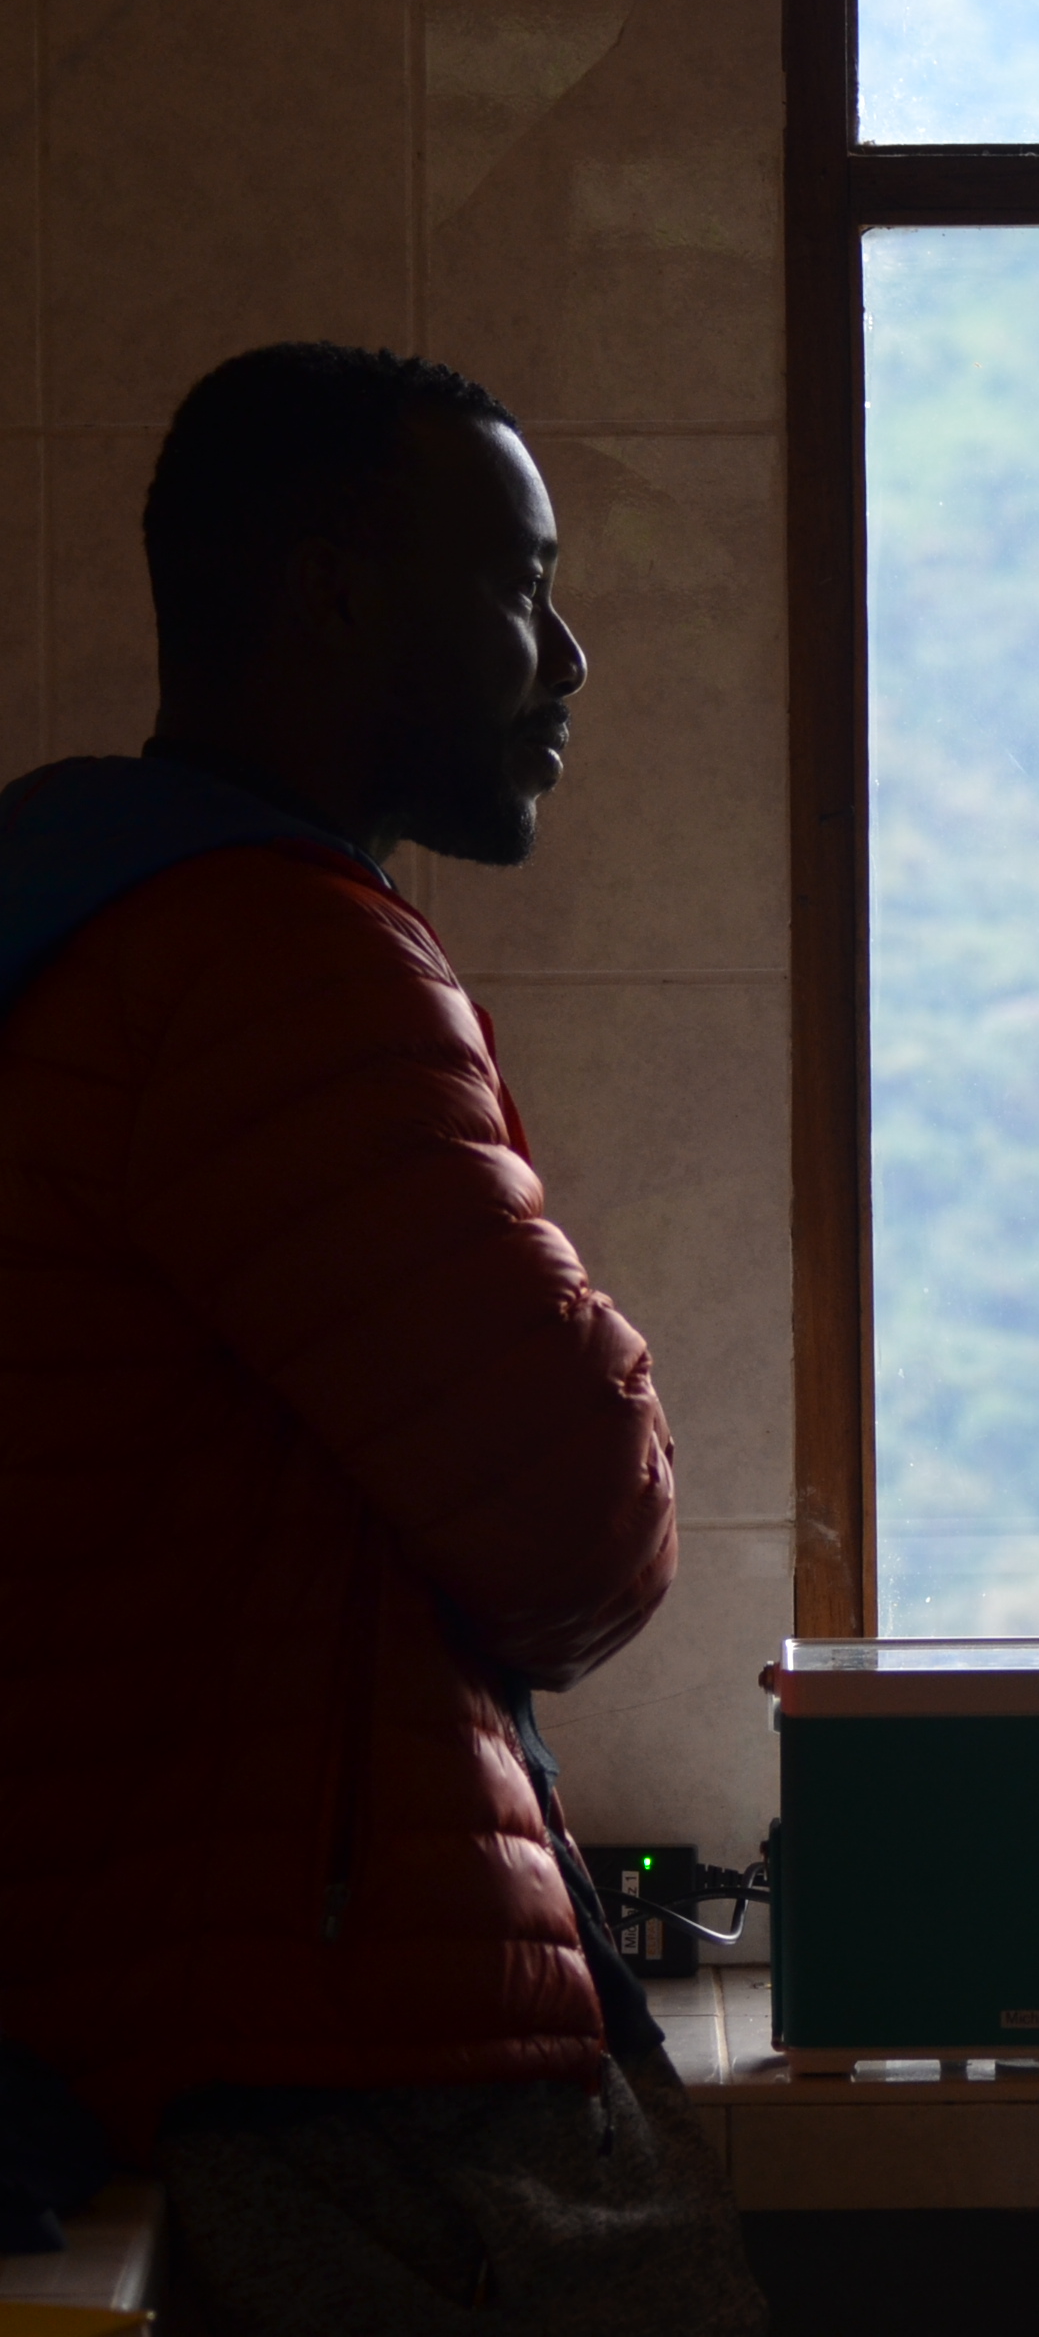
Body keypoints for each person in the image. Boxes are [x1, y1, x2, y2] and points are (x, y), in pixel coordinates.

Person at [0, 344, 766, 2332]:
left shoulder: (88, 914)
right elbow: (581, 1534)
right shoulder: (268, 962)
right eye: (518, 583)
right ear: (335, 591)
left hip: (169, 1999)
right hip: (334, 2082)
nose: (569, 655)